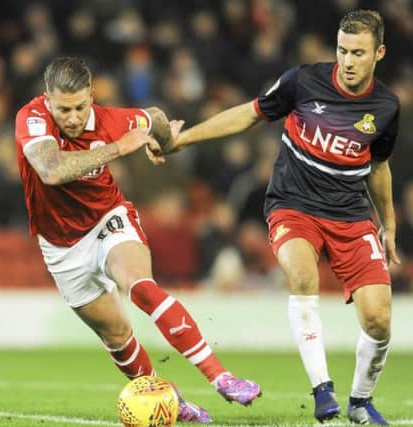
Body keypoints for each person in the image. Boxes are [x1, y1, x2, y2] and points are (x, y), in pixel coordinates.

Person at [152, 10, 399, 425]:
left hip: (351, 215)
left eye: (358, 52)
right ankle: (323, 391)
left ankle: (360, 402)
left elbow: (378, 167)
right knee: (302, 277)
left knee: (378, 319)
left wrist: (388, 224)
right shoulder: (302, 81)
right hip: (293, 203)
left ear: (379, 52)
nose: (348, 61)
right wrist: (183, 139)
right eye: (342, 50)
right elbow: (249, 113)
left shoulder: (387, 107)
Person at [14, 57, 262, 423]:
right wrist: (118, 148)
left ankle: (221, 377)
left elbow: (156, 117)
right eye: (63, 108)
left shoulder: (113, 119)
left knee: (140, 286)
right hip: (62, 246)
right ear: (47, 99)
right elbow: (51, 171)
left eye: (81, 106)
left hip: (108, 218)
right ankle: (169, 400)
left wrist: (162, 144)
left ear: (92, 96)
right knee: (116, 335)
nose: (72, 116)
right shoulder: (32, 119)